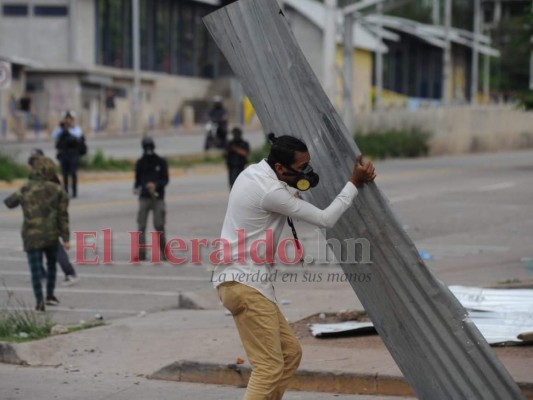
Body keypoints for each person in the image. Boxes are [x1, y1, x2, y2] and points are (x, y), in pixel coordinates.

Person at [213, 133, 376, 399]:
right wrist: (353, 183)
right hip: (246, 285)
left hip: (242, 282)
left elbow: (289, 194)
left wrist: (297, 180)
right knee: (269, 367)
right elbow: (325, 218)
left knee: (290, 354)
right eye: (302, 169)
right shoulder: (272, 191)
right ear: (279, 168)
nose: (307, 173)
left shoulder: (252, 173)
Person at [4, 156, 70, 312]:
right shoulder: (57, 190)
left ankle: (39, 301)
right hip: (51, 235)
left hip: (31, 236)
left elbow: (9, 203)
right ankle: (50, 295)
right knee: (51, 266)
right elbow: (63, 216)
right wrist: (66, 238)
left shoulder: (26, 188)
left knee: (35, 270)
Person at [28, 149, 79, 286]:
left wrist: (66, 237)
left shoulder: (50, 179)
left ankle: (70, 273)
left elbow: (61, 211)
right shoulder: (35, 177)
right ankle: (43, 274)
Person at [133, 137, 169, 261]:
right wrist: (138, 187)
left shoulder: (160, 161)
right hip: (144, 197)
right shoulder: (140, 162)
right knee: (141, 226)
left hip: (158, 197)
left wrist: (156, 185)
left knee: (159, 225)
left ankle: (164, 252)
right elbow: (137, 179)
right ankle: (142, 253)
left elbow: (165, 179)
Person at [52, 110, 83, 198]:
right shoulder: (61, 128)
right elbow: (54, 136)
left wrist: (68, 129)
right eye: (67, 119)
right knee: (64, 173)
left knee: (73, 173)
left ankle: (74, 191)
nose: (68, 121)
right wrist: (61, 128)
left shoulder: (76, 129)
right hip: (63, 153)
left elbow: (77, 135)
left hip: (73, 154)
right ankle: (65, 191)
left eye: (70, 119)